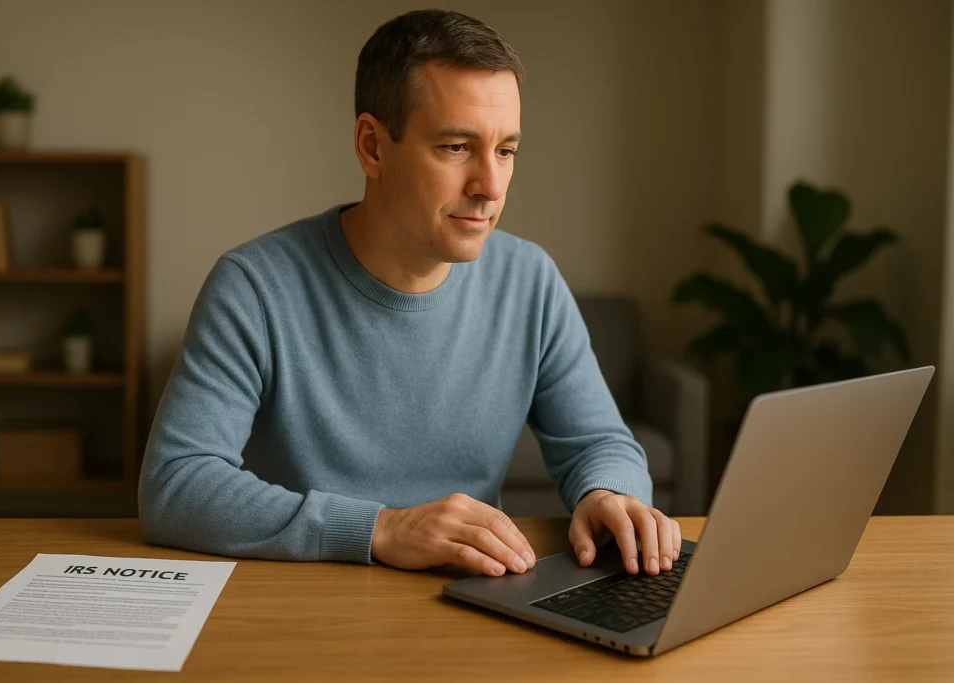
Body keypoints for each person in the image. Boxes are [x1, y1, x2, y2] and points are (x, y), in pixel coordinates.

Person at [139, 8, 680, 580]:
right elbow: (177, 484)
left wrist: (608, 493)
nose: (490, 187)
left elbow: (599, 441)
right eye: (455, 147)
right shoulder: (253, 286)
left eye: (506, 151)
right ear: (372, 145)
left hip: (475, 603)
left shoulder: (531, 281)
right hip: (303, 601)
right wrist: (382, 529)